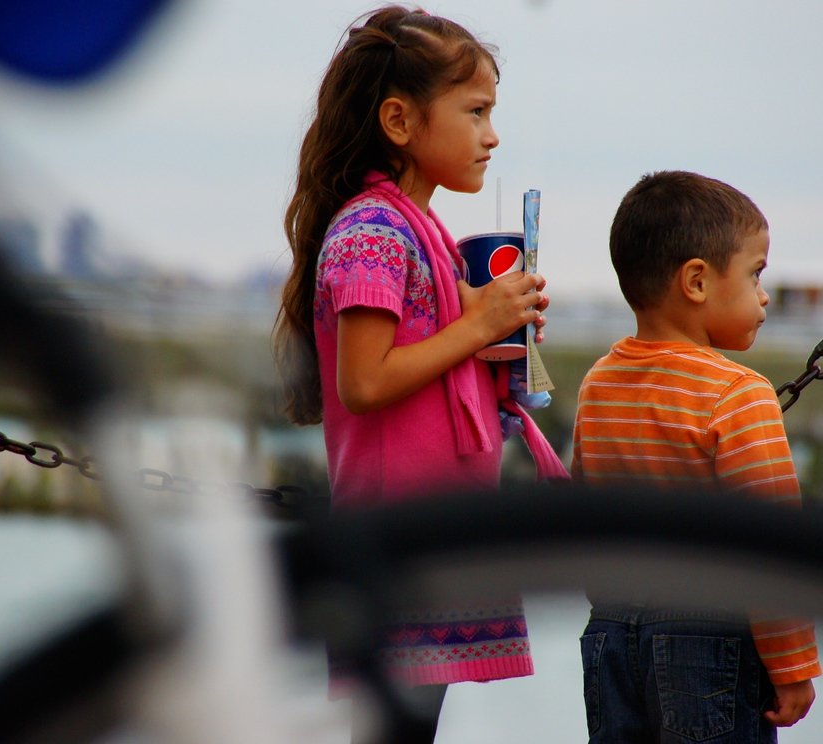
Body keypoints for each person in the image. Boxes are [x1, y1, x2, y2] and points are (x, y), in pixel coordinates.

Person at [273, 6, 568, 743]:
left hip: (421, 538)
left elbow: (430, 344)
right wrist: (476, 324)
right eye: (475, 112)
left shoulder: (418, 228)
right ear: (400, 120)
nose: (491, 135)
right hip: (394, 545)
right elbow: (364, 382)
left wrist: (493, 326)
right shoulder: (373, 230)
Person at [572, 170, 821, 743]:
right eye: (756, 273)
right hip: (709, 631)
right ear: (697, 282)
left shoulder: (598, 383)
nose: (764, 295)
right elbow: (767, 541)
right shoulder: (739, 393)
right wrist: (793, 667)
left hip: (609, 629)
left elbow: (585, 512)